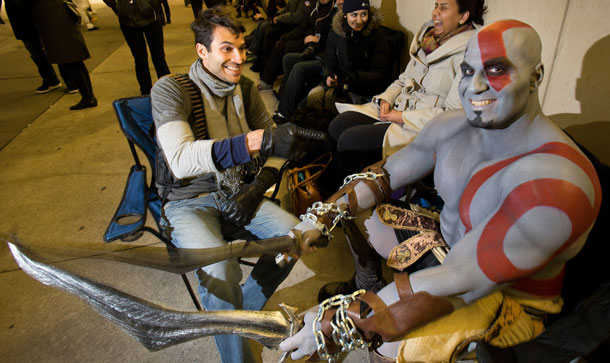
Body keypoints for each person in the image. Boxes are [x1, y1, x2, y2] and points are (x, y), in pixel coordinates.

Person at [280, 19, 602, 362]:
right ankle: (371, 283)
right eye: (467, 71)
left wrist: (344, 320)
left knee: (394, 339)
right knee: (364, 215)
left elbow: (464, 277)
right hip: (450, 250)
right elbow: (386, 175)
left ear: (535, 76)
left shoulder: (554, 184)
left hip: (505, 298)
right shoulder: (453, 125)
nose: (474, 87)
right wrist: (319, 218)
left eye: (496, 70)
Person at [150, 7, 325, 362]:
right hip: (188, 200)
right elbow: (181, 160)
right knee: (219, 269)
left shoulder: (244, 88)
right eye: (227, 49)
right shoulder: (171, 89)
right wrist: (256, 142)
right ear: (202, 51)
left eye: (242, 48)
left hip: (238, 191)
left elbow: (277, 147)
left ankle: (238, 316)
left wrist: (257, 186)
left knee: (296, 235)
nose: (239, 58)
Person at [327, 0, 485, 180]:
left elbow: (453, 115)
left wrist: (403, 117)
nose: (435, 13)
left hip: (421, 126)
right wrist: (386, 99)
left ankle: (354, 194)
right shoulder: (428, 39)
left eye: (443, 8)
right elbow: (403, 80)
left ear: (463, 16)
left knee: (350, 140)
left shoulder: (471, 53)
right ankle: (335, 184)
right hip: (397, 109)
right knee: (337, 124)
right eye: (435, 6)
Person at [306, 0, 388, 115]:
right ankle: (320, 127)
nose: (359, 20)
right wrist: (329, 76)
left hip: (363, 86)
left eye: (364, 14)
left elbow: (380, 73)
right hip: (340, 81)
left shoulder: (377, 34)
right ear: (345, 15)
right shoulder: (335, 33)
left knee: (331, 97)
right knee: (313, 96)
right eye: (354, 15)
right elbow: (329, 62)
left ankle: (334, 131)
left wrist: (353, 79)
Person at [273, 0, 343, 122]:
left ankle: (284, 113)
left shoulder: (340, 17)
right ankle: (287, 99)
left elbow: (332, 49)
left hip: (325, 60)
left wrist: (317, 42)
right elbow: (308, 27)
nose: (341, 2)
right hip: (319, 51)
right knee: (288, 58)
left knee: (299, 67)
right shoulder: (318, 9)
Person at [29, 0, 97, 110]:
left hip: (54, 21)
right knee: (75, 61)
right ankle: (88, 96)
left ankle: (88, 97)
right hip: (61, 19)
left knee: (70, 61)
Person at [256, 0, 336, 92]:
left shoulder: (331, 11)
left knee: (282, 44)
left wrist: (318, 39)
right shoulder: (317, 7)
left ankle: (281, 86)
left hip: (318, 46)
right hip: (307, 39)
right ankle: (269, 80)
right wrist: (285, 37)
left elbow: (331, 37)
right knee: (279, 41)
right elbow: (304, 27)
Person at [4, 0, 79, 94]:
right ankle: (55, 80)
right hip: (21, 14)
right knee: (37, 50)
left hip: (41, 10)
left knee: (54, 45)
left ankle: (68, 81)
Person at [104, 0, 171, 95]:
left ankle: (168, 87)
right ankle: (146, 90)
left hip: (152, 18)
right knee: (140, 60)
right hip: (127, 22)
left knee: (159, 57)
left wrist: (153, 4)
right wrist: (117, 7)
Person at [249, 0, 314, 73]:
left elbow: (297, 17)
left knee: (269, 32)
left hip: (295, 27)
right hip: (289, 22)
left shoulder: (309, 2)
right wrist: (278, 15)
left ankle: (263, 66)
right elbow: (287, 8)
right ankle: (258, 59)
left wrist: (279, 17)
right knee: (263, 27)